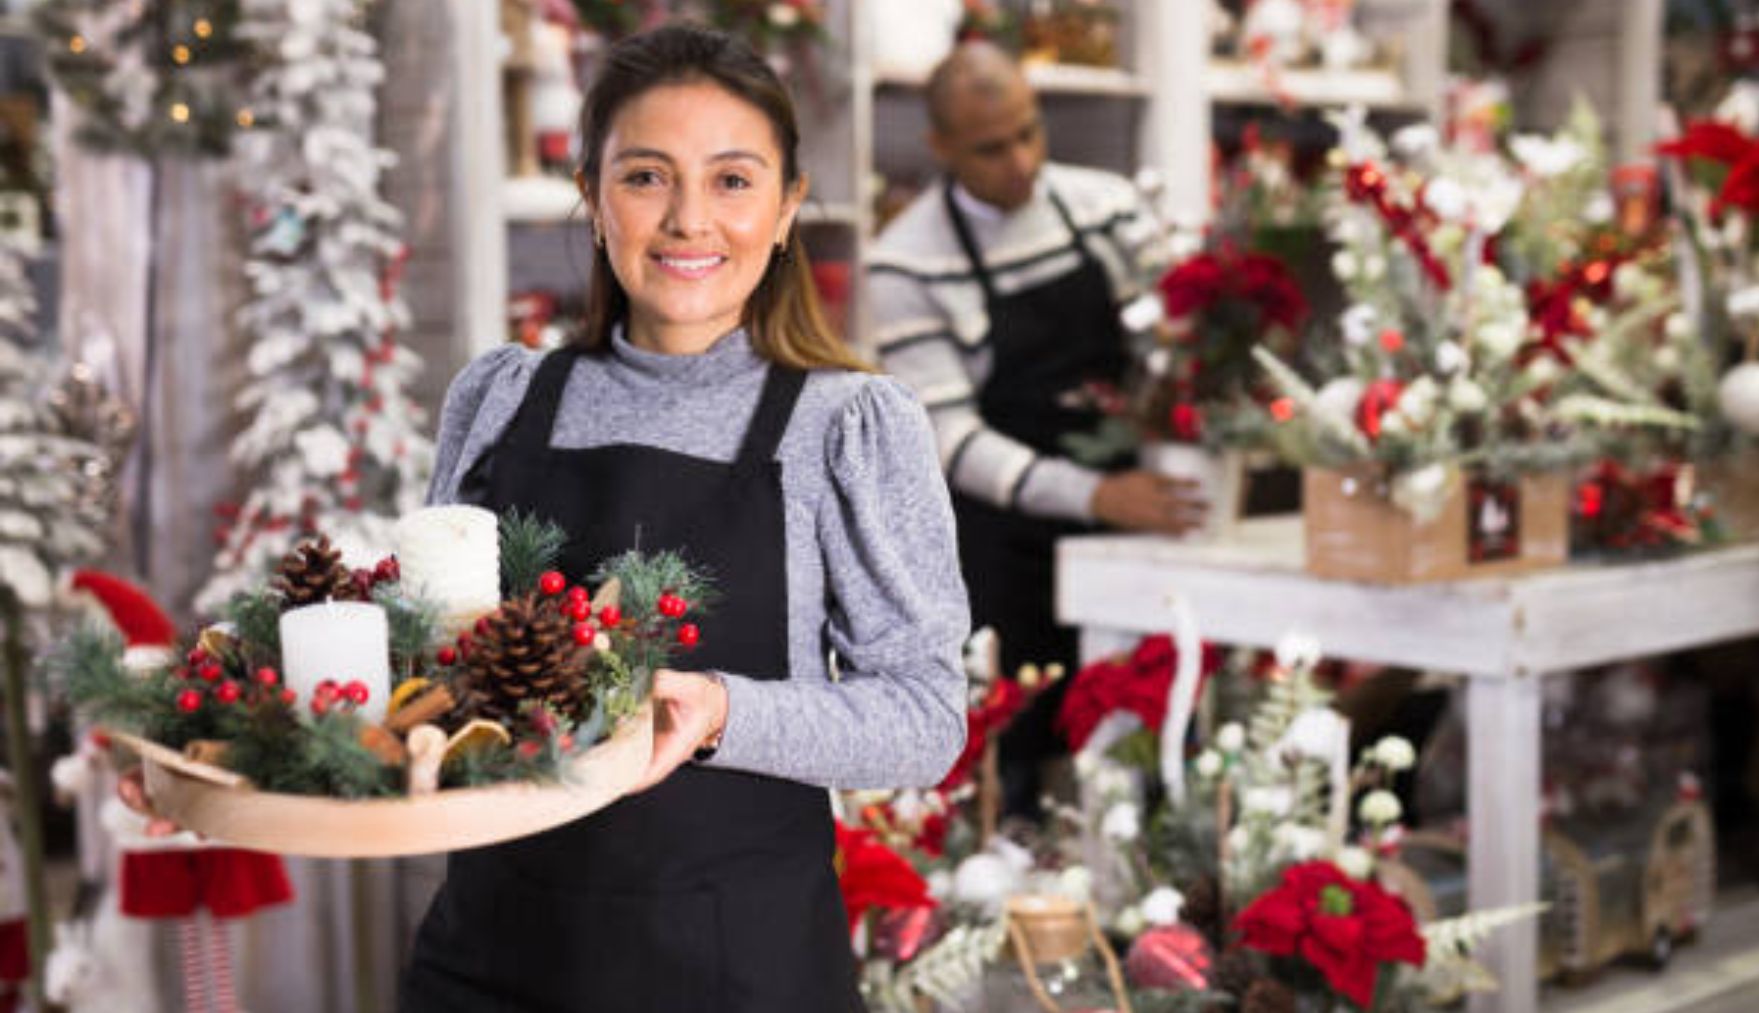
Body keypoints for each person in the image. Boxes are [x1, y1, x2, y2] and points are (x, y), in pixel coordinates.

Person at [395, 25, 969, 1010]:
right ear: (592, 195)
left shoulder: (849, 425)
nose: (689, 220)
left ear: (789, 207)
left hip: (734, 966)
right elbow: (428, 667)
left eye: (734, 180)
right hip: (489, 954)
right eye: (647, 176)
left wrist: (721, 711)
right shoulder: (497, 395)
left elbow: (925, 718)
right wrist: (225, 763)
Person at [868, 42, 1201, 820]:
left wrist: (1171, 384)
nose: (1020, 162)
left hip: (1132, 524)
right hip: (1005, 545)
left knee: (1150, 743)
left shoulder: (1106, 206)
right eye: (990, 148)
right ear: (941, 147)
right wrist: (1095, 495)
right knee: (1015, 765)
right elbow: (949, 436)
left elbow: (1171, 334)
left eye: (1029, 133)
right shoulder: (906, 261)